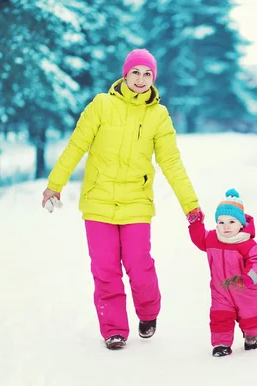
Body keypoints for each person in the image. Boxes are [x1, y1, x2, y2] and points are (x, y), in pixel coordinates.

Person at [41, 48, 201, 350]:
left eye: (147, 74)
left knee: (139, 265)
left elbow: (171, 163)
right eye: (136, 72)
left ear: (154, 78)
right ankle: (114, 329)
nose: (141, 79)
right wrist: (55, 184)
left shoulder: (158, 115)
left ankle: (148, 311)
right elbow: (77, 145)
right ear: (125, 74)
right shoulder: (101, 105)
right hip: (98, 201)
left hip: (136, 203)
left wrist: (191, 206)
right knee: (105, 268)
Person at [187, 189, 257, 357]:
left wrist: (248, 278)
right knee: (220, 317)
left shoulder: (246, 244)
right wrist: (195, 224)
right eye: (221, 222)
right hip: (221, 290)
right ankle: (221, 344)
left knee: (251, 318)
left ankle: (252, 335)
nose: (226, 226)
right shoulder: (213, 239)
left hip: (246, 290)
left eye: (231, 221)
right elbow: (199, 238)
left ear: (241, 224)